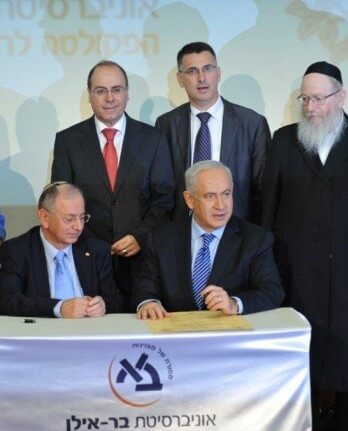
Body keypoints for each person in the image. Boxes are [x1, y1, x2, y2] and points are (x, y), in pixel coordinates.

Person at [261, 62, 348, 430]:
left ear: (341, 97)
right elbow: (268, 209)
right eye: (304, 98)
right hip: (297, 272)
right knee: (301, 360)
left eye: (319, 99)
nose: (310, 107)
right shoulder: (283, 140)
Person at [51, 60, 175, 309]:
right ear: (89, 95)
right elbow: (61, 201)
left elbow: (165, 197)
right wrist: (91, 243)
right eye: (101, 90)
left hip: (142, 260)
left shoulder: (153, 139)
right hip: (88, 259)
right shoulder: (68, 141)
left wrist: (139, 236)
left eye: (117, 89)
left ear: (127, 94)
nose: (109, 98)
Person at [132, 160, 284, 319]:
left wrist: (234, 304)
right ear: (190, 200)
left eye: (226, 194)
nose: (221, 205)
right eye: (210, 196)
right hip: (175, 337)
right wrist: (148, 303)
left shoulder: (256, 239)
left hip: (229, 338)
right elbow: (144, 289)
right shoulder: (160, 239)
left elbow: (272, 291)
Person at [155, 42, 271, 223]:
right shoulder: (166, 124)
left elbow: (264, 191)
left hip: (238, 234)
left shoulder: (252, 123)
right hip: (183, 235)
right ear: (180, 79)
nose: (202, 78)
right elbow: (163, 188)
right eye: (192, 71)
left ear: (218, 73)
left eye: (208, 68)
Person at [0, 182, 123, 318]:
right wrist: (59, 308)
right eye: (69, 219)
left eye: (82, 218)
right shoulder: (17, 250)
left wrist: (103, 305)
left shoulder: (97, 249)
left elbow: (116, 300)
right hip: (41, 333)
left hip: (89, 332)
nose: (78, 227)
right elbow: (7, 301)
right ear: (44, 217)